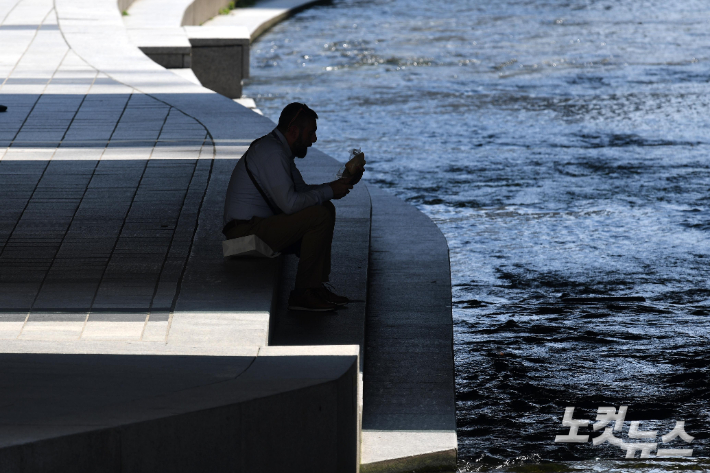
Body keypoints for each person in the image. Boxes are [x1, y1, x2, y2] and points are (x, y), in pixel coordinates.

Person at [223, 103, 364, 311]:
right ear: (293, 131)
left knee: (325, 208)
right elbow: (289, 204)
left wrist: (334, 187)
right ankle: (303, 293)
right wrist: (329, 191)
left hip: (256, 226)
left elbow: (301, 191)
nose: (314, 139)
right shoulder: (272, 153)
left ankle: (314, 286)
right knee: (320, 215)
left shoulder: (277, 150)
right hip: (244, 233)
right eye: (311, 133)